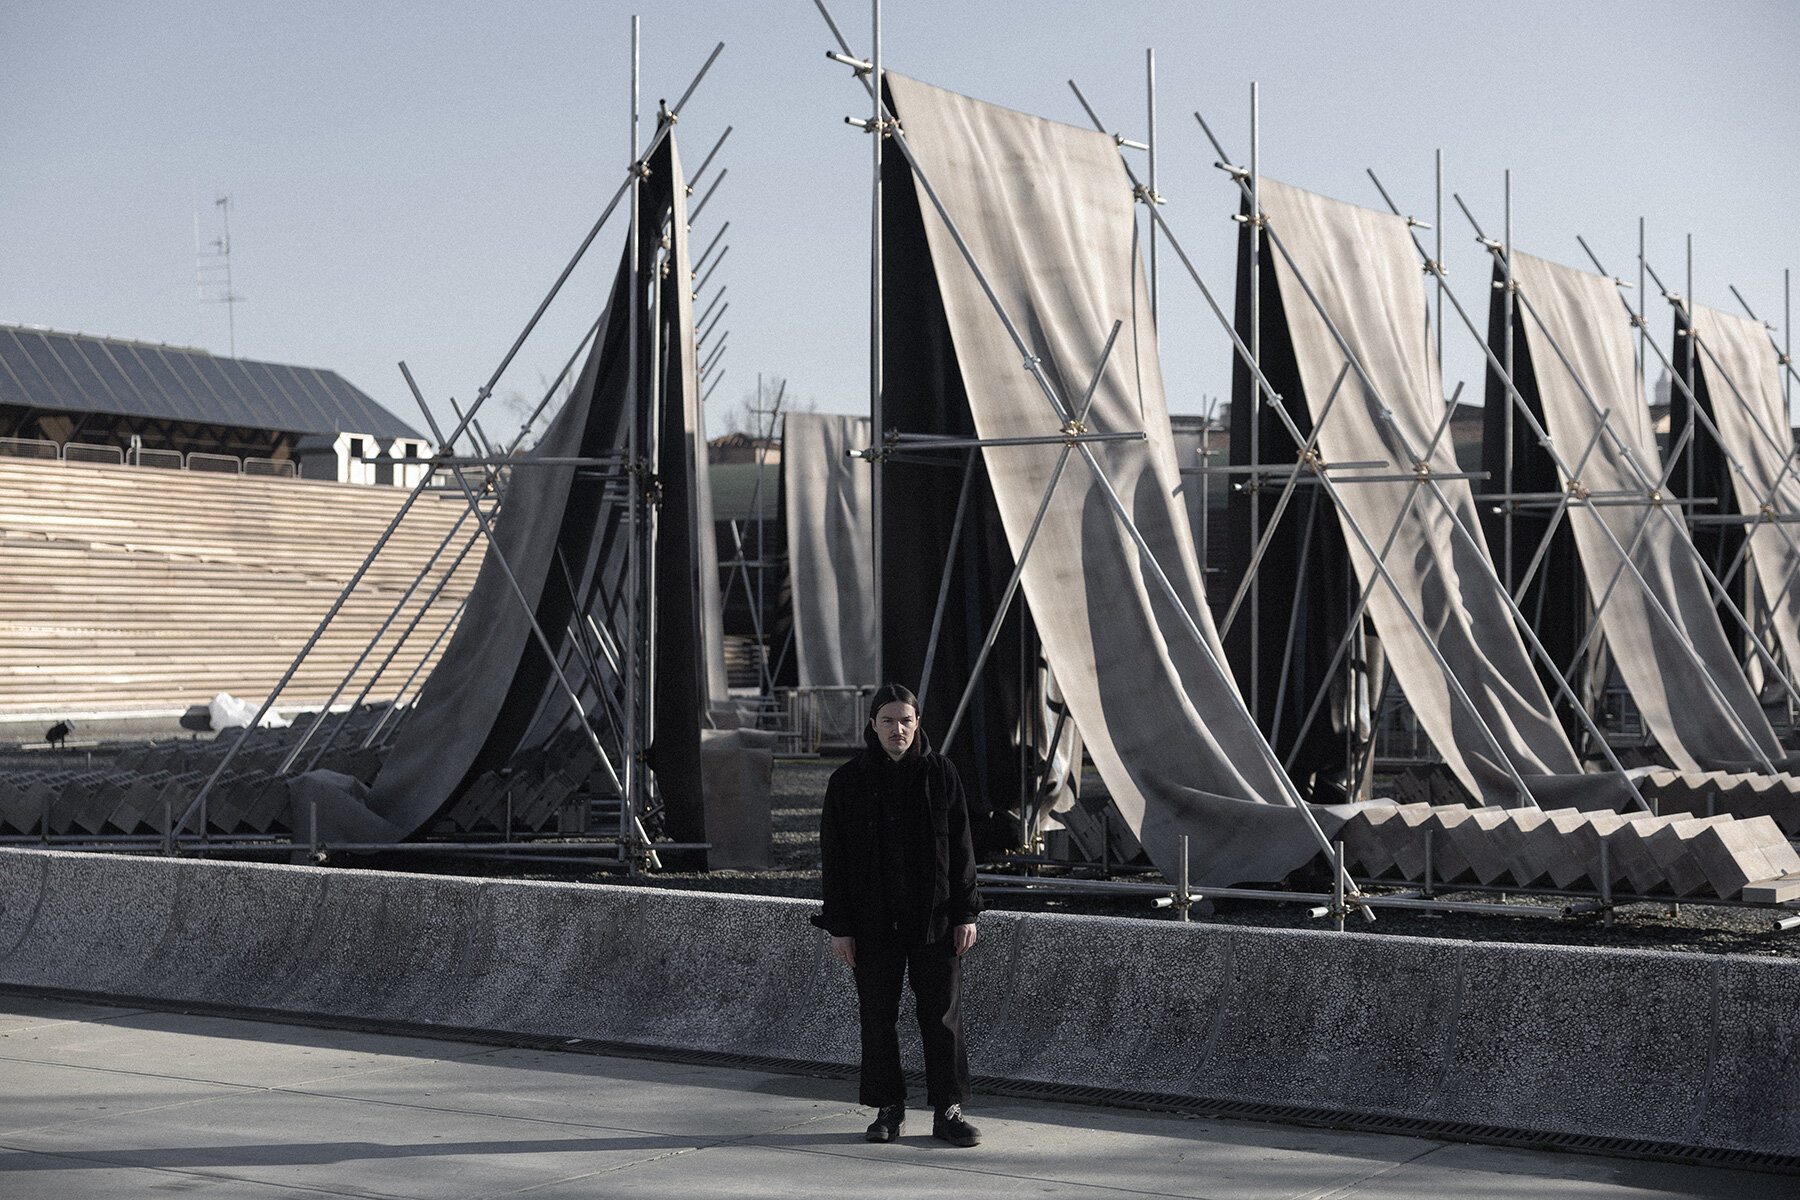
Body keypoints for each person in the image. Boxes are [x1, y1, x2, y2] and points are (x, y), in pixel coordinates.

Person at [814, 683, 984, 1147]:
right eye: (888, 720)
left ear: (917, 723)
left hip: (935, 921)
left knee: (942, 1016)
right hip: (872, 924)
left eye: (906, 720)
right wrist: (841, 928)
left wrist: (966, 914)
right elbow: (836, 860)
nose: (898, 729)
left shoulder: (941, 774)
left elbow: (963, 850)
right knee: (878, 1015)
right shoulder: (847, 782)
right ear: (872, 725)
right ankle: (889, 1108)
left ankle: (948, 1110)